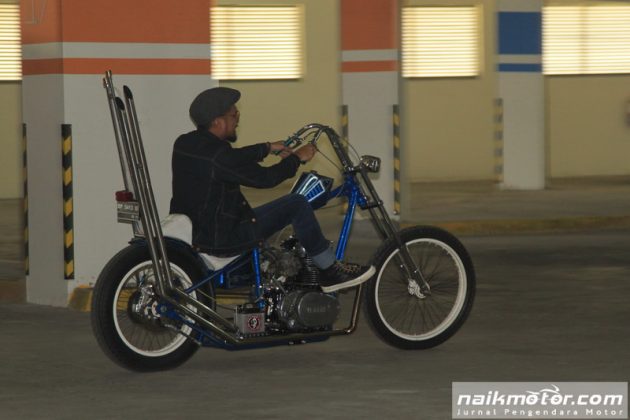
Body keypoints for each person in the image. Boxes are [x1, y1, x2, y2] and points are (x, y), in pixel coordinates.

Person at [169, 87, 375, 293]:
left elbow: (234, 157)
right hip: (223, 237)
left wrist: (267, 147)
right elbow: (265, 178)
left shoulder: (185, 143)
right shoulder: (218, 156)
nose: (238, 118)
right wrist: (296, 158)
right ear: (217, 121)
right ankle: (330, 271)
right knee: (296, 203)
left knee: (279, 213)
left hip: (200, 230)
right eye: (233, 114)